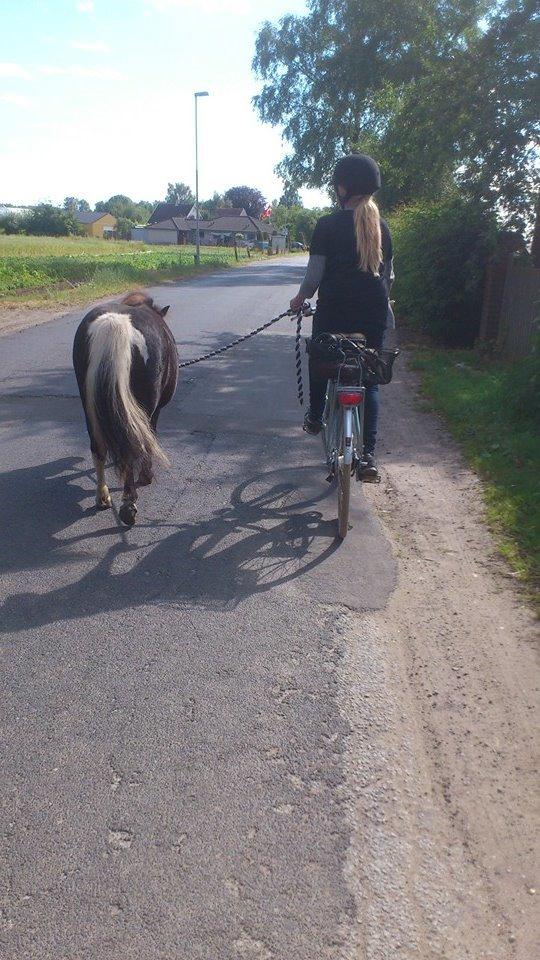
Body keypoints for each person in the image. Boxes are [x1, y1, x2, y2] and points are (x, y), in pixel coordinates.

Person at [290, 154, 394, 481]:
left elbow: (314, 277)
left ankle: (316, 415)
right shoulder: (383, 228)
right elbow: (388, 278)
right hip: (373, 313)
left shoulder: (327, 225)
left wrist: (299, 300)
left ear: (343, 188)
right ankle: (368, 458)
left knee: (321, 358)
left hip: (334, 310)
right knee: (369, 379)